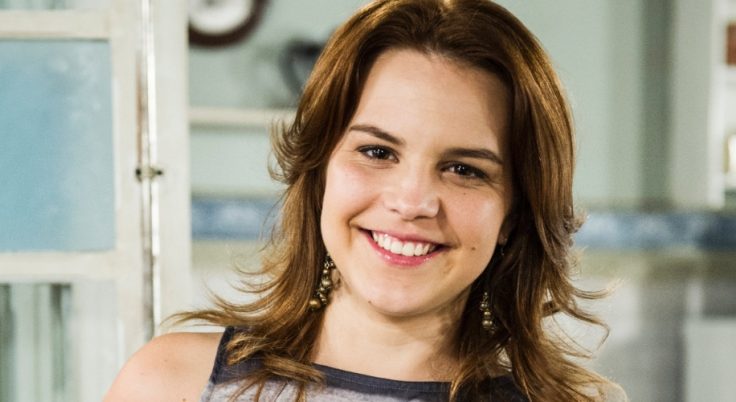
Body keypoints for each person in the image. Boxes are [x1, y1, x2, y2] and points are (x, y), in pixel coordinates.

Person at [106, 0, 624, 401]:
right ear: (319, 171)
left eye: (464, 170)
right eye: (377, 152)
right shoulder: (169, 383)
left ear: (513, 212)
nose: (412, 201)